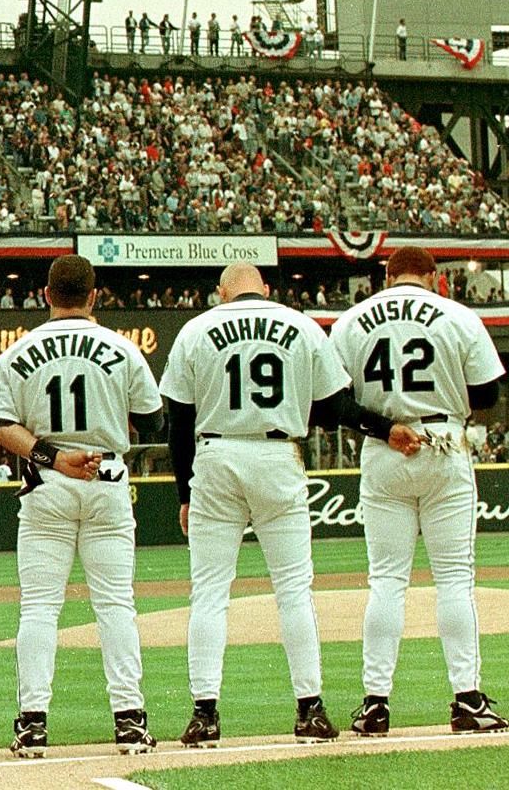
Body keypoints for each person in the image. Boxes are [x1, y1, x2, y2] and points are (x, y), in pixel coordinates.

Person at [160, 263, 347, 747]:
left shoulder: (196, 328)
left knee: (208, 593)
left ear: (221, 293)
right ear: (267, 289)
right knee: (293, 589)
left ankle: (204, 714)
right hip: (277, 452)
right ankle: (310, 709)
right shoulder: (302, 324)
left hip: (216, 454)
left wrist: (185, 491)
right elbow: (332, 406)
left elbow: (177, 422)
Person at [329, 247, 509, 736]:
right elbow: (490, 393)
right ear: (431, 277)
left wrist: (384, 425)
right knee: (454, 578)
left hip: (383, 447)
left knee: (386, 581)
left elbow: (330, 401)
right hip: (443, 442)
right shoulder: (457, 314)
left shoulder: (351, 320)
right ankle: (467, 700)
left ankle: (375, 704)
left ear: (386, 277)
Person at [0, 255, 159, 759]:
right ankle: (129, 721)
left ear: (45, 295)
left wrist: (55, 456)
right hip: (105, 478)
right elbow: (151, 421)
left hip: (48, 481)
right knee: (115, 605)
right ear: (95, 295)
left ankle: (33, 726)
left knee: (39, 607)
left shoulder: (18, 350)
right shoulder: (123, 348)